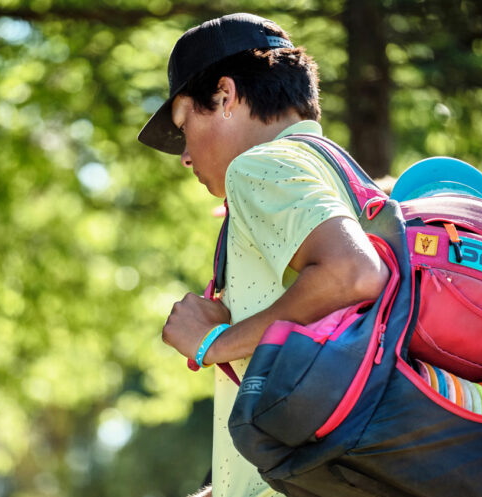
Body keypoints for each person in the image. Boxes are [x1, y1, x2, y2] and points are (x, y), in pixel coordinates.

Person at [138, 13, 389, 497]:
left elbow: (353, 273)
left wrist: (214, 341)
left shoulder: (260, 167)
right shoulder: (342, 174)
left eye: (184, 123)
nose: (185, 156)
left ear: (226, 96)